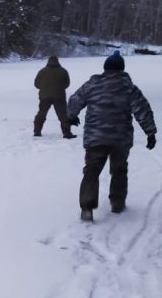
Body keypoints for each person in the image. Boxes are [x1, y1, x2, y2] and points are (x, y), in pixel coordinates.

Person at [66, 50, 157, 221]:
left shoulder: (92, 85)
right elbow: (143, 110)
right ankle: (117, 202)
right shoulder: (129, 88)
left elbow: (74, 101)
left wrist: (71, 116)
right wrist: (150, 132)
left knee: (92, 170)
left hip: (95, 138)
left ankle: (87, 207)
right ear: (122, 69)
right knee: (119, 170)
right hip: (120, 139)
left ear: (105, 68)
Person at [33, 56, 74, 138]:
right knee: (63, 114)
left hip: (44, 96)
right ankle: (66, 132)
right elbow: (67, 83)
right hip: (59, 96)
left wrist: (44, 88)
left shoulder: (42, 71)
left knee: (41, 113)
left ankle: (37, 131)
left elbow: (36, 84)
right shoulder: (63, 71)